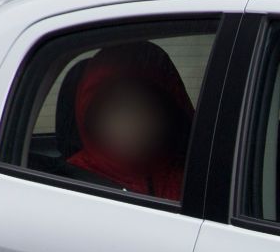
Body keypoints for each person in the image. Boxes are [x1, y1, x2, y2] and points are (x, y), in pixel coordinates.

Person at [62, 41, 194, 201]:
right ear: (92, 118)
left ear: (166, 116)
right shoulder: (68, 182)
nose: (131, 122)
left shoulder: (190, 177)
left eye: (144, 107)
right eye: (116, 109)